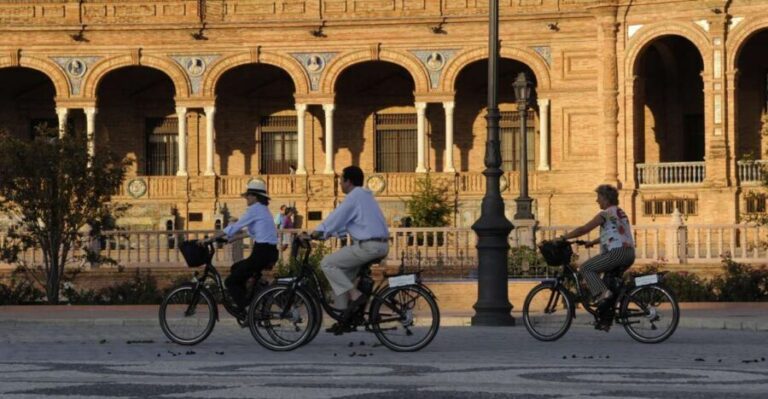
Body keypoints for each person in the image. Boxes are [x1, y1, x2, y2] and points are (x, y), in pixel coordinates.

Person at [310, 165, 389, 331]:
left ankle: (356, 295)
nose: (339, 183)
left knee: (327, 264)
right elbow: (349, 225)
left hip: (368, 246)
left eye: (341, 180)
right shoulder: (365, 196)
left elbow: (336, 217)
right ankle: (344, 319)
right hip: (379, 245)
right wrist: (326, 234)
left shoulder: (354, 197)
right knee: (341, 277)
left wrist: (317, 232)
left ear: (349, 181)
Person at [201, 180, 279, 318]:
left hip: (261, 253)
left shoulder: (255, 209)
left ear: (255, 196)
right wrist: (232, 239)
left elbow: (234, 227)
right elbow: (251, 232)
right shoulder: (263, 209)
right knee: (236, 268)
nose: (246, 199)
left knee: (230, 282)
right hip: (269, 252)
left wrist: (210, 239)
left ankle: (246, 309)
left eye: (248, 195)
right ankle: (252, 297)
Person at [556, 184, 635, 310]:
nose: (597, 200)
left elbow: (584, 229)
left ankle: (603, 295)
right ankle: (606, 315)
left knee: (586, 268)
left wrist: (564, 238)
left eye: (599, 197)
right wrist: (592, 242)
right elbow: (614, 234)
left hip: (617, 253)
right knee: (608, 281)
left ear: (605, 198)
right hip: (629, 253)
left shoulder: (605, 214)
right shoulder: (620, 213)